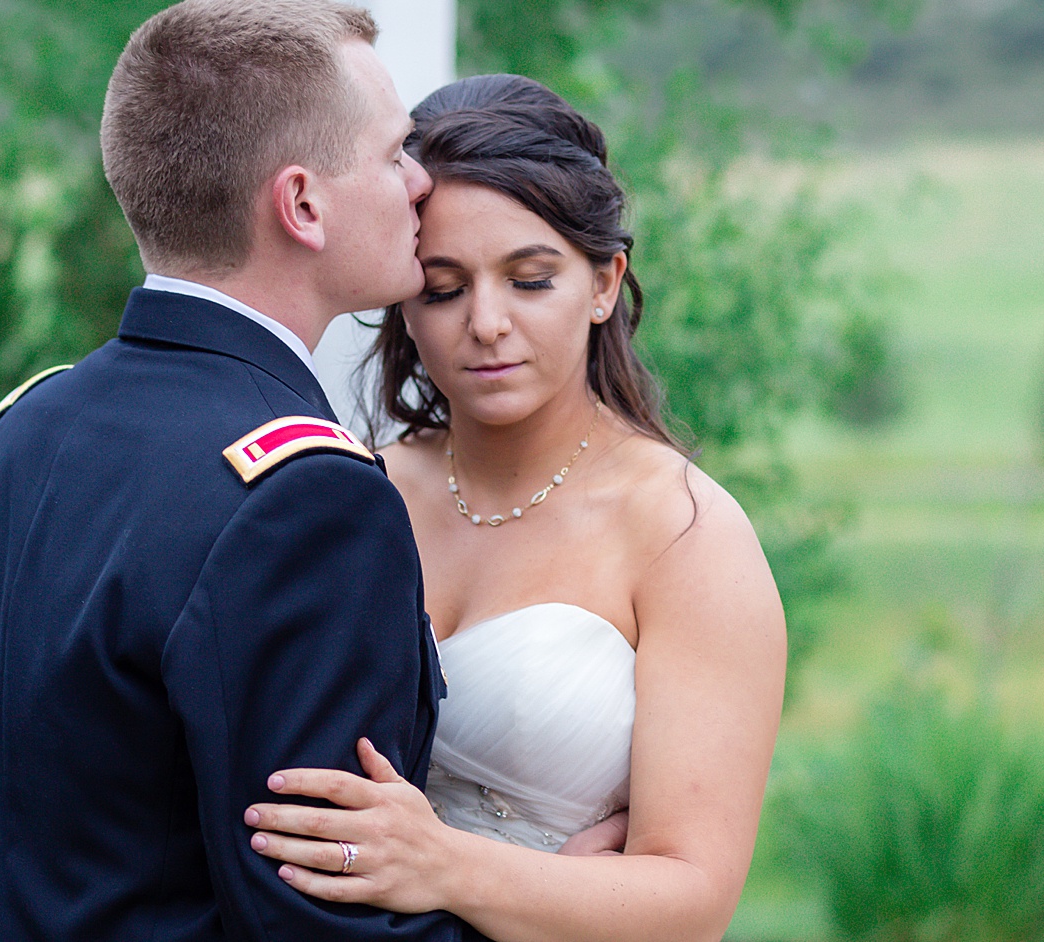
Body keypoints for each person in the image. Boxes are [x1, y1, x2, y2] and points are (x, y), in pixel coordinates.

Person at [0, 1, 476, 939]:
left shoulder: (19, 432)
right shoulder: (308, 495)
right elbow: (322, 918)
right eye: (392, 155)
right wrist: (544, 901)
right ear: (302, 205)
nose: (419, 182)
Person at [242, 75, 788, 941]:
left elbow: (693, 904)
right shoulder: (348, 491)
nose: (486, 323)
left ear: (606, 282)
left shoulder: (685, 534)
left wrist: (448, 866)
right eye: (444, 289)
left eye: (531, 280)